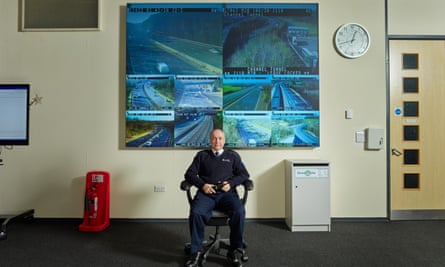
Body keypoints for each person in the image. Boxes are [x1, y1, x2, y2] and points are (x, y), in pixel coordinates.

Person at [184, 129, 250, 267]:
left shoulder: (233, 156)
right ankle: (195, 252)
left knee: (239, 211)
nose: (217, 141)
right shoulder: (202, 156)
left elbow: (244, 175)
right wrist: (202, 185)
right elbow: (189, 174)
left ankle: (234, 250)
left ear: (224, 140)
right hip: (207, 193)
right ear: (210, 140)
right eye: (214, 138)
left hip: (227, 194)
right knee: (196, 212)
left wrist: (231, 183)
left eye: (220, 138)